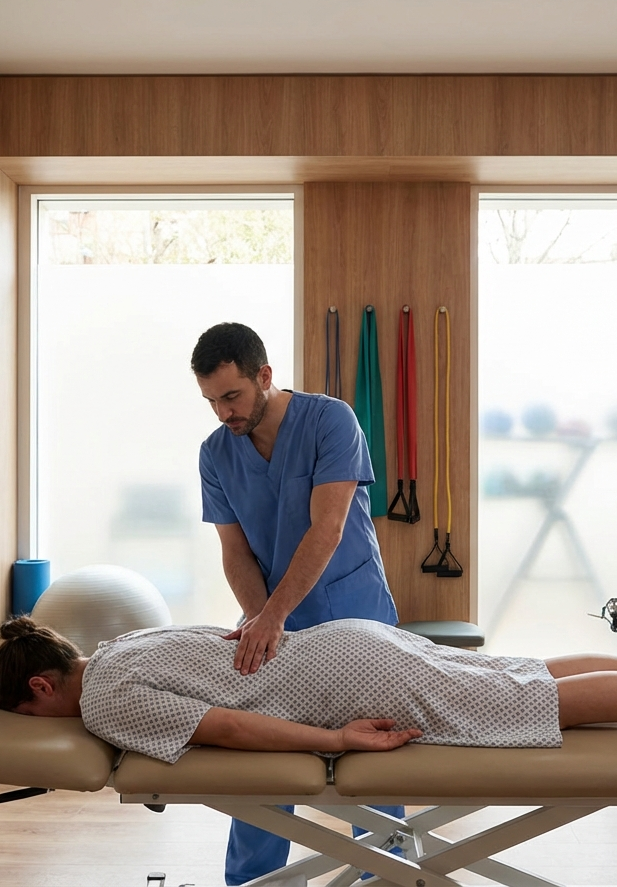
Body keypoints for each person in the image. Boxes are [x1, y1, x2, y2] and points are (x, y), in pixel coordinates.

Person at [0, 617, 617, 766]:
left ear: (40, 686)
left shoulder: (103, 700)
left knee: (527, 705)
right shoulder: (123, 643)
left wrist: (338, 743)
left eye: (28, 715)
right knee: (517, 671)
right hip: (346, 642)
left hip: (351, 678)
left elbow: (229, 728)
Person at [190, 322, 401, 883]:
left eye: (231, 396)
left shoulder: (331, 420)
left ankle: (387, 877)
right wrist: (262, 621)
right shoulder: (216, 453)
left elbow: (326, 529)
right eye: (211, 401)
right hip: (269, 619)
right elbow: (234, 552)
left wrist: (272, 616)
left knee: (370, 769)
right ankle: (253, 882)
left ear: (265, 375)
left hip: (353, 612)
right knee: (262, 770)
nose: (222, 413)